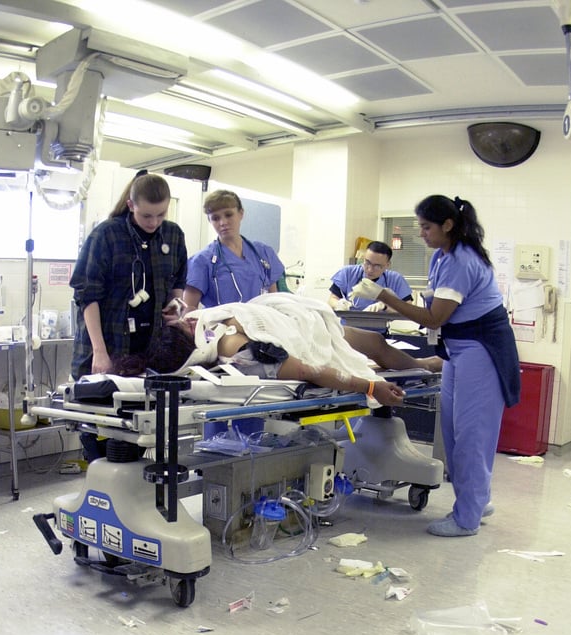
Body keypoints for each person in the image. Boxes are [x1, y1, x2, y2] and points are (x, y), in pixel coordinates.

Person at [350, 195, 520, 537]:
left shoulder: (461, 261)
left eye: (426, 227)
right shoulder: (443, 257)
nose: (422, 234)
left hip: (482, 349)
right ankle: (477, 498)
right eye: (420, 227)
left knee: (473, 435)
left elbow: (434, 316)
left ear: (448, 225)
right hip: (459, 349)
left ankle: (467, 518)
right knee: (455, 432)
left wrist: (383, 296)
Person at [70, 171, 188, 460]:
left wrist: (176, 306)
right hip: (106, 345)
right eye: (147, 215)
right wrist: (99, 351)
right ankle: (102, 489)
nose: (154, 223)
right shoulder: (107, 235)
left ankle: (129, 494)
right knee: (102, 437)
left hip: (146, 352)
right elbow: (87, 296)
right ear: (131, 204)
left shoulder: (172, 235)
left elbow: (177, 285)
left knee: (137, 433)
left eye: (161, 215)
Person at [176, 292, 441, 408]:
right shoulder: (234, 347)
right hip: (308, 335)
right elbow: (306, 369)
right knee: (373, 345)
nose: (190, 321)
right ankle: (428, 365)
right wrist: (371, 387)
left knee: (374, 342)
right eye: (187, 327)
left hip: (299, 319)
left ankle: (427, 363)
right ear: (194, 344)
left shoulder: (205, 322)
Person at [184, 189, 284, 309]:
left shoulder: (263, 253)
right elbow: (188, 309)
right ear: (209, 220)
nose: (223, 222)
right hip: (220, 326)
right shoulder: (201, 261)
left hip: (260, 324)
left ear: (241, 213)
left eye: (228, 215)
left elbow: (274, 301)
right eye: (215, 218)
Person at [328, 241, 413, 314]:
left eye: (377, 266)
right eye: (367, 262)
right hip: (348, 328)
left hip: (378, 331)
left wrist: (385, 307)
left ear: (387, 265)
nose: (370, 269)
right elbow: (332, 299)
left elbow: (409, 309)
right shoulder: (347, 273)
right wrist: (338, 304)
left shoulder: (395, 279)